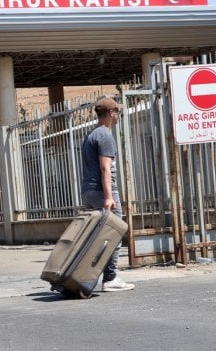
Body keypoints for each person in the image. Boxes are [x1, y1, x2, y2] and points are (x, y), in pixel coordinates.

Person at [80, 96, 136, 292]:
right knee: (115, 233)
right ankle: (110, 278)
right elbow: (105, 169)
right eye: (117, 111)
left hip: (88, 191)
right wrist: (109, 196)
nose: (119, 114)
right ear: (111, 113)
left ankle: (85, 277)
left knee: (96, 238)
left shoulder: (91, 135)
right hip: (102, 191)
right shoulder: (105, 136)